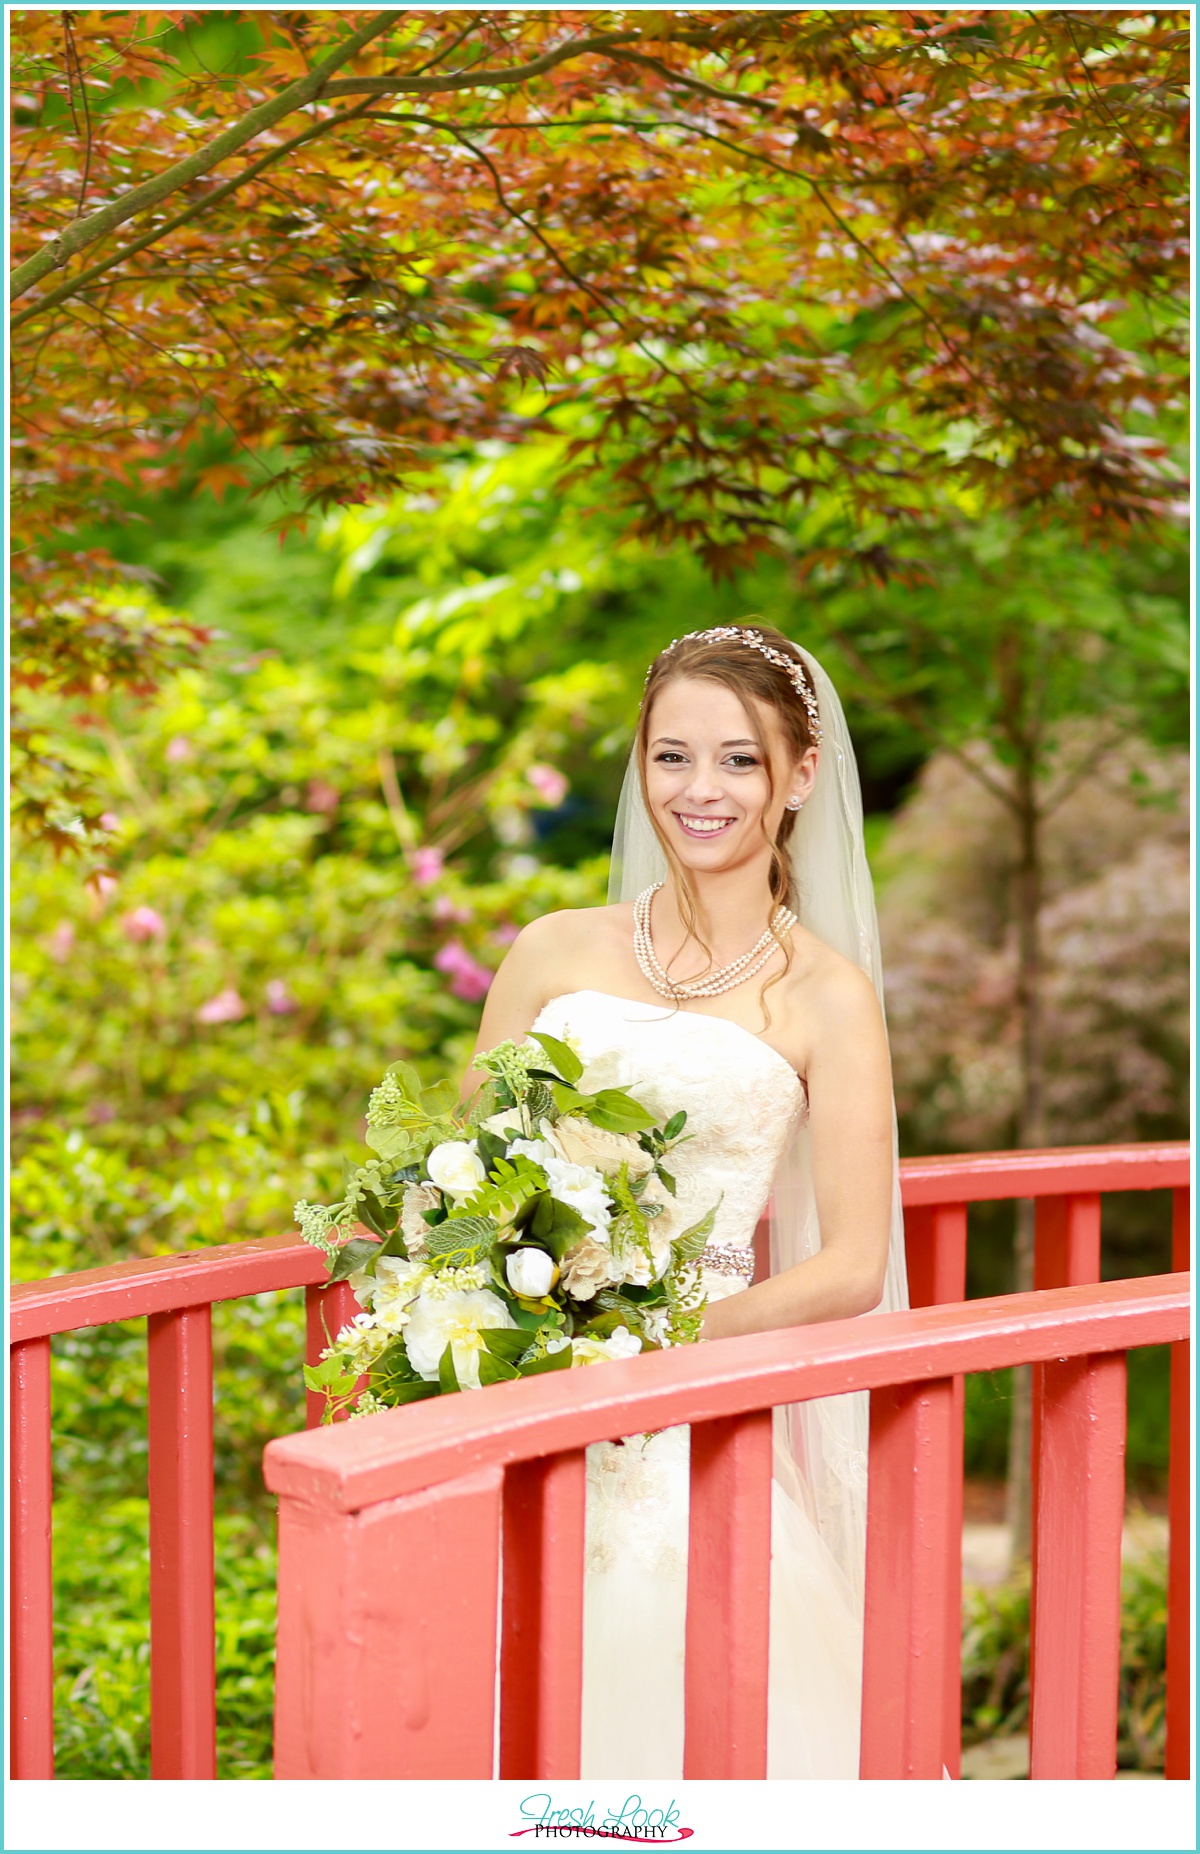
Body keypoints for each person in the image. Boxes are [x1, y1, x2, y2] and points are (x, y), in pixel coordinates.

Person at [471, 623, 908, 1778]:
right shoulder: (552, 952)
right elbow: (455, 1184)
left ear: (801, 775)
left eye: (740, 760)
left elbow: (855, 1265)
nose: (699, 790)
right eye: (671, 757)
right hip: (515, 1386)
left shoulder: (829, 998)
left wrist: (655, 1338)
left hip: (690, 1405)